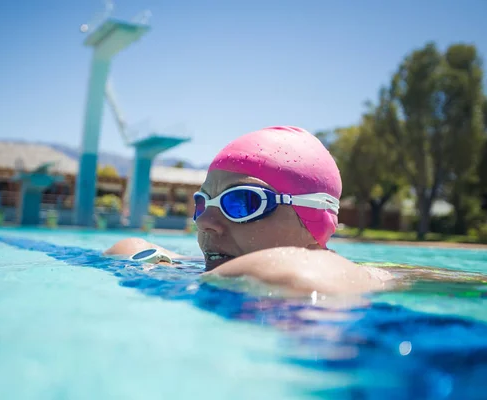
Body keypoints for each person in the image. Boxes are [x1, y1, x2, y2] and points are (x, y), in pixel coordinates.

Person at [105, 125, 395, 295]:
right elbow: (129, 247)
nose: (205, 221)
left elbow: (296, 274)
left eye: (241, 202)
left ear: (313, 220)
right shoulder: (211, 268)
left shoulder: (341, 278)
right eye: (203, 202)